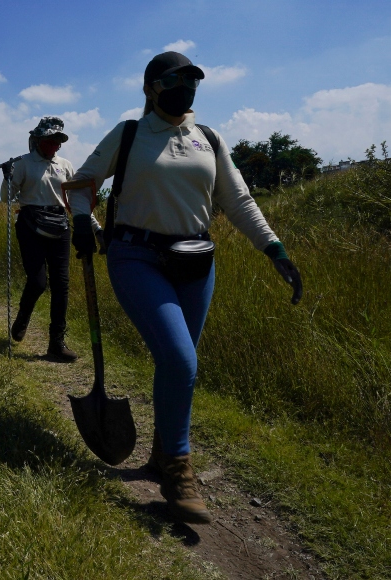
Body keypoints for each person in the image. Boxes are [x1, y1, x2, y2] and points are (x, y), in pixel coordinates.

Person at [65, 51, 303, 524]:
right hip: (136, 256)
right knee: (180, 357)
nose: (187, 87)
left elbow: (237, 200)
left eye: (194, 79)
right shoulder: (130, 134)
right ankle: (177, 469)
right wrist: (81, 220)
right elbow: (84, 183)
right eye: (176, 78)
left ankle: (159, 455)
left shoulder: (207, 138)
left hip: (196, 261)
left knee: (179, 366)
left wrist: (274, 248)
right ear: (152, 87)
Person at [0, 116, 103, 361]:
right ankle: (23, 317)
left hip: (59, 226)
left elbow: (77, 200)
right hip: (30, 225)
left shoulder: (65, 165)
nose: (56, 145)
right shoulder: (23, 163)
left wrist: (96, 228)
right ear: (38, 141)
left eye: (59, 141)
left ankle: (56, 344)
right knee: (37, 282)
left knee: (61, 285)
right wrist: (8, 176)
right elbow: (8, 197)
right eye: (52, 140)